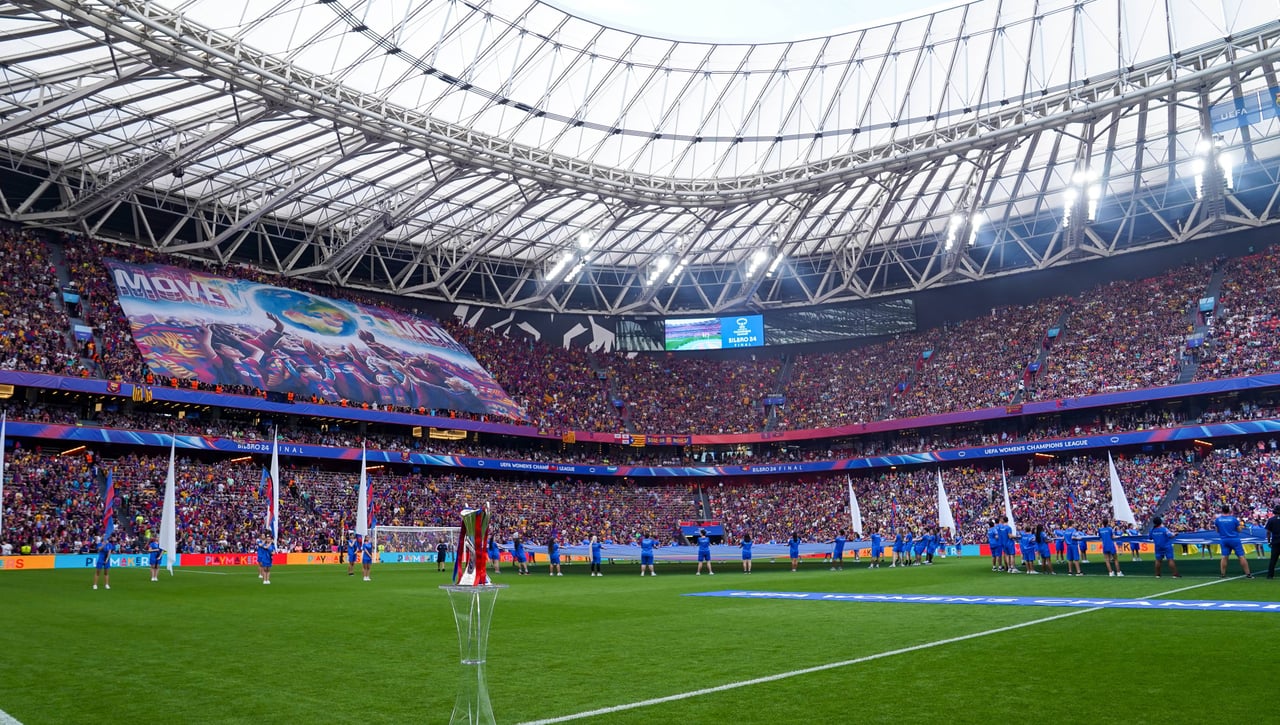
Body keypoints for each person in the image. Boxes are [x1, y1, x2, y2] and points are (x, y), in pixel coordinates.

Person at [1214, 505, 1254, 579]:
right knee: (1241, 556)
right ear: (1229, 510)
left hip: (1224, 539)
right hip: (1234, 539)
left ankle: (1223, 574)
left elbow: (1217, 530)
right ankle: (1248, 574)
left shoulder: (1218, 520)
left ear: (1222, 510)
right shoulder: (1234, 519)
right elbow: (1239, 530)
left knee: (1224, 557)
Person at [1265, 505, 1280, 579]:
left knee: (1273, 560)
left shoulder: (1271, 520)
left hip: (1275, 542)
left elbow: (1268, 532)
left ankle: (1270, 575)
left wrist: (1268, 541)